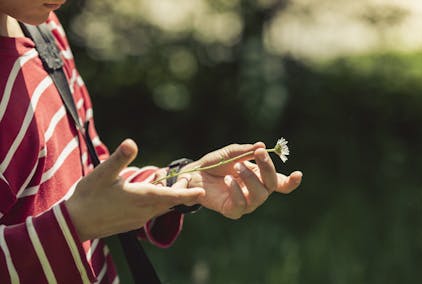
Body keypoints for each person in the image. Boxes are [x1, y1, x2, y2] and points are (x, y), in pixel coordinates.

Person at [0, 0, 303, 283]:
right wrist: (74, 225)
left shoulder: (44, 30)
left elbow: (87, 177)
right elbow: (78, 214)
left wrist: (176, 182)